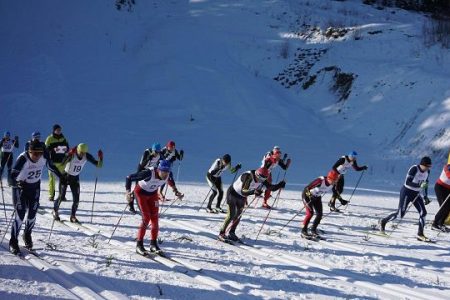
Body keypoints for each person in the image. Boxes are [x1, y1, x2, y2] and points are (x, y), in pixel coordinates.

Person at [9, 140, 63, 254]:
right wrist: (17, 183)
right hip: (20, 189)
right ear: (29, 151)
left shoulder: (43, 157)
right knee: (20, 215)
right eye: (34, 153)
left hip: (34, 188)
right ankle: (13, 241)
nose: (37, 156)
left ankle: (27, 234)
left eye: (39, 153)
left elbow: (52, 167)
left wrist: (62, 177)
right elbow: (12, 175)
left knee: (32, 215)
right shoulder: (23, 158)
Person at [218, 167, 286, 242]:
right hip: (232, 194)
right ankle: (221, 233)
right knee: (231, 215)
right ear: (257, 175)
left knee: (238, 215)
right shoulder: (248, 176)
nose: (261, 181)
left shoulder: (262, 177)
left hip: (242, 197)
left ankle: (232, 233)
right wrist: (254, 191)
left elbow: (270, 187)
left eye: (263, 180)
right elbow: (243, 191)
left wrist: (279, 185)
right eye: (260, 179)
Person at [125, 160, 173, 255]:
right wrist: (127, 192)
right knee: (146, 218)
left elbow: (170, 181)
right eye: (163, 171)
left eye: (167, 171)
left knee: (155, 218)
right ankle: (139, 245)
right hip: (140, 193)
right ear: (158, 169)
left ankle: (153, 244)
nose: (165, 174)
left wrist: (176, 191)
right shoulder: (148, 173)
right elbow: (129, 177)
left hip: (153, 195)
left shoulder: (168, 174)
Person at [379, 156, 432, 241]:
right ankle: (383, 221)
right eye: (427, 166)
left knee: (423, 213)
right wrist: (419, 185)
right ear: (422, 165)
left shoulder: (427, 171)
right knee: (400, 214)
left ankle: (420, 234)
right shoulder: (414, 169)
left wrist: (425, 196)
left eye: (430, 166)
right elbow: (407, 182)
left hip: (416, 193)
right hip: (406, 192)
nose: (428, 168)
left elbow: (425, 184)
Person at [52, 143, 103, 223]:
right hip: (65, 176)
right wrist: (68, 154)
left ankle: (73, 216)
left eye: (84, 153)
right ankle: (55, 211)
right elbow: (62, 163)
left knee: (76, 199)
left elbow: (99, 165)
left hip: (75, 178)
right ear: (78, 150)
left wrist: (101, 158)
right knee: (61, 196)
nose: (82, 154)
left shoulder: (86, 155)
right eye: (81, 152)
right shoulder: (72, 155)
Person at [301, 170, 339, 240]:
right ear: (329, 178)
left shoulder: (333, 184)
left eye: (336, 180)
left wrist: (341, 200)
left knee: (319, 214)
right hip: (306, 196)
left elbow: (335, 193)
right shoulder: (320, 181)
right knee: (310, 213)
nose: (335, 182)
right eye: (334, 180)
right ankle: (304, 231)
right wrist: (310, 196)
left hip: (317, 197)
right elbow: (307, 188)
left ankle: (313, 230)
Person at [45, 124, 69, 201]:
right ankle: (51, 195)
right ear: (54, 130)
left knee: (62, 179)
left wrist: (65, 149)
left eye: (60, 130)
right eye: (57, 130)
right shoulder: (49, 138)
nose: (59, 131)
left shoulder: (63, 138)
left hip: (62, 162)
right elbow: (46, 149)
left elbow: (67, 147)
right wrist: (54, 149)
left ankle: (62, 195)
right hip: (53, 162)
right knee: (52, 179)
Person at [431, 154, 450, 232]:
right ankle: (435, 224)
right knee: (444, 206)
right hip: (440, 187)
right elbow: (448, 175)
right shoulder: (448, 166)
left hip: (448, 189)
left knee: (449, 207)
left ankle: (441, 223)